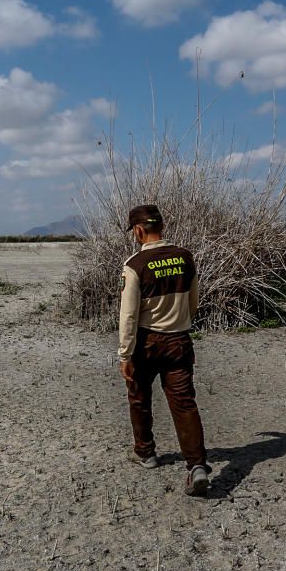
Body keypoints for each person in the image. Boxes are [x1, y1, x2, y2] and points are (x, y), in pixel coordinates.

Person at [118, 204, 211, 496]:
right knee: (184, 403)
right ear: (161, 225)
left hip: (146, 342)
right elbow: (194, 302)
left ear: (138, 230)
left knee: (139, 396)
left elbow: (129, 315)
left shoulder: (135, 265)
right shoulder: (186, 257)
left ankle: (146, 453)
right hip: (179, 340)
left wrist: (125, 354)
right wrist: (179, 321)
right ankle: (196, 466)